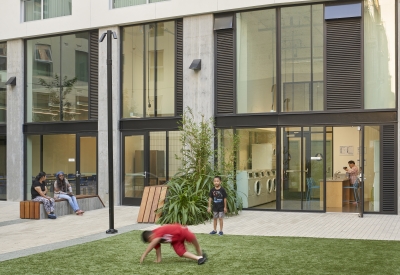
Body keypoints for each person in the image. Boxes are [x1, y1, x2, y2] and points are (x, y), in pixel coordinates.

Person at [140, 224, 207, 265]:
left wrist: (144, 254)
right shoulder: (154, 240)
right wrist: (158, 260)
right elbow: (157, 248)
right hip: (175, 241)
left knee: (196, 244)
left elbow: (154, 242)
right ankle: (199, 258)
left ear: (150, 237)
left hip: (182, 231)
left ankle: (201, 254)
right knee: (180, 252)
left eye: (150, 241)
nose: (151, 243)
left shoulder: (157, 233)